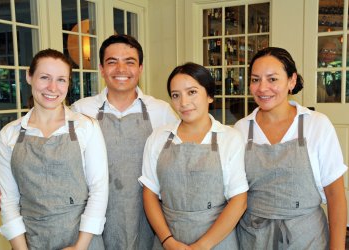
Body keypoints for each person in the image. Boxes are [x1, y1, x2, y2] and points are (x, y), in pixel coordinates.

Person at [72, 34, 178, 250]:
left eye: (129, 62)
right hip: (95, 213)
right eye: (112, 62)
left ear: (140, 68)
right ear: (101, 69)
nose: (121, 69)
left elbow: (179, 165)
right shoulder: (81, 111)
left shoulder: (161, 111)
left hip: (148, 213)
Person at [235, 47, 347, 249]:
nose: (262, 88)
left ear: (291, 81)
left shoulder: (316, 124)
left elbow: (335, 195)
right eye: (255, 79)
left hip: (306, 237)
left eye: (272, 79)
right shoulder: (241, 130)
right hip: (253, 238)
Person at [0, 49, 108, 249]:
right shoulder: (9, 134)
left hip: (83, 241)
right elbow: (8, 201)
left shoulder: (86, 127)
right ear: (29, 76)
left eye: (61, 80)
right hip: (32, 241)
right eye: (44, 77)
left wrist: (79, 246)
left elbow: (99, 190)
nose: (52, 88)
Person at [139, 62, 248, 249]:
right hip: (169, 240)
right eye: (176, 95)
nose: (183, 103)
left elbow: (239, 200)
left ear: (210, 95)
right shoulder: (158, 137)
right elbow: (149, 193)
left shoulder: (230, 138)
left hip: (217, 241)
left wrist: (202, 246)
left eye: (192, 92)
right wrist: (167, 241)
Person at [317, 37, 342, 102]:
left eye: (332, 51)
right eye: (325, 50)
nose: (328, 54)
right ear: (319, 51)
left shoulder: (340, 66)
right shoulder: (314, 66)